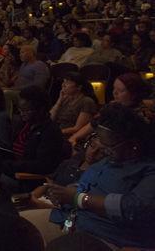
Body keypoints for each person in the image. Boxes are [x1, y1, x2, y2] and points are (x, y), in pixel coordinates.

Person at [45, 104, 155, 249]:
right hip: (68, 220)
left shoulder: (148, 170)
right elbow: (85, 185)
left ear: (132, 145)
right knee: (18, 226)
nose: (103, 151)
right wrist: (63, 193)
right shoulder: (107, 161)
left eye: (108, 146)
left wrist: (78, 198)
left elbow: (133, 207)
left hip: (105, 236)